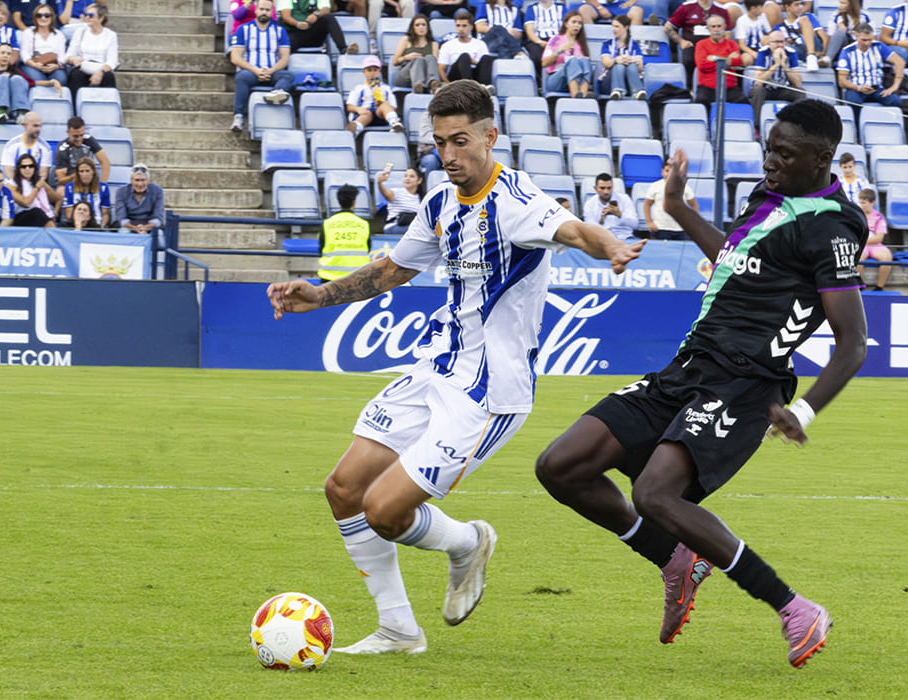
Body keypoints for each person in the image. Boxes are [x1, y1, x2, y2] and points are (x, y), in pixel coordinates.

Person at [265, 79, 642, 656]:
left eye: (460, 141)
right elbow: (391, 269)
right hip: (437, 369)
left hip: (488, 393)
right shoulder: (441, 202)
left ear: (491, 136)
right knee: (343, 490)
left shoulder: (516, 199)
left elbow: (570, 228)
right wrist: (318, 295)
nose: (448, 156)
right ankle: (398, 630)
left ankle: (468, 542)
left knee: (385, 511)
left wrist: (608, 244)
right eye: (440, 143)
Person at [534, 98, 867, 668]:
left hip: (744, 384)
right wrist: (677, 208)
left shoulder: (834, 226)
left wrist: (804, 411)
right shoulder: (768, 198)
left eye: (785, 155)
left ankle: (794, 608)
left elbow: (852, 342)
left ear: (821, 157)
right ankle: (674, 559)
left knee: (654, 494)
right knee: (560, 466)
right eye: (769, 150)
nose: (771, 163)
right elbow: (737, 260)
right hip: (689, 368)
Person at [229, 0, 295, 134]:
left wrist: (271, 70)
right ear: (256, 10)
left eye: (267, 10)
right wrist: (256, 70)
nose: (264, 12)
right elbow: (235, 57)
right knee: (241, 77)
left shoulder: (280, 31)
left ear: (272, 12)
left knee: (288, 75)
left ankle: (277, 93)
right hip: (252, 71)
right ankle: (239, 116)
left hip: (273, 71)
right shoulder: (243, 29)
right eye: (262, 9)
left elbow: (285, 58)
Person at [0, 43, 60, 123]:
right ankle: (1, 111)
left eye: (8, 54)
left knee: (17, 78)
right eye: (2, 53)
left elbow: (32, 83)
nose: (5, 56)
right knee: (3, 78)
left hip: (11, 109)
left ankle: (20, 114)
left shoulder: (15, 72)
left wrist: (52, 82)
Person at [837, 23, 904, 118]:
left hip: (877, 88)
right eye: (864, 40)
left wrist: (894, 86)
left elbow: (900, 62)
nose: (867, 43)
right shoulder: (847, 51)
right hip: (856, 88)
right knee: (853, 103)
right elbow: (842, 81)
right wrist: (859, 88)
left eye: (870, 40)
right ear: (856, 35)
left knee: (895, 101)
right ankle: (857, 129)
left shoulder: (879, 46)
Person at [665, 0, 732, 86]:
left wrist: (721, 45)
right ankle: (689, 88)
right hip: (692, 44)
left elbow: (728, 32)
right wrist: (681, 41)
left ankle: (715, 87)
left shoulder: (721, 9)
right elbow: (668, 27)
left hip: (714, 44)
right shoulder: (686, 7)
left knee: (720, 60)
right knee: (689, 60)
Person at [749, 30, 802, 128]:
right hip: (766, 89)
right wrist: (776, 65)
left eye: (783, 42)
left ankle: (798, 126)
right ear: (769, 43)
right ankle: (756, 126)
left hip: (782, 89)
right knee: (757, 90)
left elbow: (798, 83)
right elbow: (759, 81)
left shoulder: (791, 53)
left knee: (800, 92)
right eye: (777, 42)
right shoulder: (762, 53)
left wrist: (784, 65)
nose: (780, 45)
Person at [317, 183, 370, 281]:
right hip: (357, 278)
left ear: (339, 202)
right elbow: (368, 249)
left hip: (329, 278)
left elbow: (321, 249)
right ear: (354, 203)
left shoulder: (327, 224)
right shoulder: (364, 224)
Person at [693, 15, 745, 105]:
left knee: (744, 105)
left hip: (730, 87)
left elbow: (737, 62)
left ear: (724, 27)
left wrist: (714, 58)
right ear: (708, 28)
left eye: (719, 26)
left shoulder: (732, 44)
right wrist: (728, 59)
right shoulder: (701, 44)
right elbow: (702, 65)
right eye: (713, 26)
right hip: (707, 87)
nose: (716, 29)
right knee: (700, 105)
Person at [66, 3, 117, 97]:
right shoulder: (80, 32)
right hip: (83, 66)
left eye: (91, 15)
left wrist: (100, 72)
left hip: (101, 67)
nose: (87, 18)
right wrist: (73, 59)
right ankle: (75, 110)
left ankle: (107, 108)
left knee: (108, 76)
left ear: (101, 18)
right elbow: (68, 56)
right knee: (76, 75)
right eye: (86, 15)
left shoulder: (110, 35)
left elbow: (112, 61)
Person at [642, 158, 698, 241]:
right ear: (662, 172)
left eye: (673, 171)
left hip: (681, 228)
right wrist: (649, 222)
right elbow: (647, 204)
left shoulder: (684, 187)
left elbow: (693, 204)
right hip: (661, 228)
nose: (670, 174)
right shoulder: (655, 186)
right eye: (667, 171)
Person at [346, 55, 403, 136]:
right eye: (369, 70)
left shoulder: (386, 88)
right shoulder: (359, 88)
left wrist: (382, 104)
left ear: (379, 72)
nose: (372, 73)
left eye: (375, 70)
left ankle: (395, 123)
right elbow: (349, 106)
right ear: (364, 72)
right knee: (367, 114)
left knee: (384, 104)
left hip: (380, 116)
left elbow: (393, 107)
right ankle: (354, 130)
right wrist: (359, 109)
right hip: (364, 113)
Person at [438, 10, 496, 88]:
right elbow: (441, 69)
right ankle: (470, 87)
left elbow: (482, 65)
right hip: (456, 77)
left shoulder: (480, 44)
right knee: (464, 57)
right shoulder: (447, 45)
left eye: (464, 26)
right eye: (458, 26)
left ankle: (485, 87)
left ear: (471, 27)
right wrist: (448, 84)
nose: (461, 29)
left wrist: (472, 62)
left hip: (474, 74)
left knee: (487, 58)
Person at [543, 11, 593, 97]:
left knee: (585, 60)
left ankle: (583, 95)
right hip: (556, 79)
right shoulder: (555, 39)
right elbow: (544, 63)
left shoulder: (581, 44)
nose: (577, 25)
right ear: (566, 24)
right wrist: (559, 51)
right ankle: (575, 96)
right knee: (573, 61)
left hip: (577, 81)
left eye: (579, 23)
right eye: (574, 22)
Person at [280, 0, 358, 55]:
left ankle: (344, 49)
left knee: (328, 18)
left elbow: (326, 8)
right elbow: (285, 16)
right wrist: (297, 24)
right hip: (294, 32)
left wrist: (316, 15)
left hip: (313, 32)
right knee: (287, 41)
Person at [599, 13, 646, 99]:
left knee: (632, 65)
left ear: (626, 27)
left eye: (617, 26)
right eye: (613, 26)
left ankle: (637, 92)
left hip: (629, 81)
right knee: (619, 65)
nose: (614, 29)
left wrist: (632, 60)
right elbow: (606, 63)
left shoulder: (635, 44)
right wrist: (616, 60)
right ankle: (617, 91)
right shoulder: (607, 44)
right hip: (609, 82)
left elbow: (640, 67)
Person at [392, 14, 442, 94]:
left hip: (426, 76)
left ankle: (433, 83)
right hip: (406, 76)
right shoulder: (406, 40)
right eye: (417, 25)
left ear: (427, 27)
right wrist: (406, 57)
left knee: (430, 57)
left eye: (423, 25)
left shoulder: (434, 44)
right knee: (418, 59)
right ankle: (418, 86)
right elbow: (395, 62)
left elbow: (434, 64)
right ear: (413, 27)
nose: (421, 27)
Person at [19, 4, 67, 86]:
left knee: (61, 79)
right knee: (38, 79)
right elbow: (24, 54)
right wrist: (35, 65)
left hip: (54, 65)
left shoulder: (59, 34)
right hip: (33, 64)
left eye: (47, 15)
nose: (43, 18)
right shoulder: (28, 32)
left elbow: (62, 56)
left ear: (52, 17)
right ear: (35, 17)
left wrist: (56, 66)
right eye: (39, 15)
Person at [54, 116, 110, 187]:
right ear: (68, 133)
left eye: (81, 135)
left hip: (89, 179)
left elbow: (105, 162)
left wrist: (103, 185)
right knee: (61, 192)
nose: (79, 139)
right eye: (75, 136)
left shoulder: (89, 140)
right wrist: (77, 176)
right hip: (71, 182)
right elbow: (61, 180)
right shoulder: (62, 149)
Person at [582, 171, 638, 240]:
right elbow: (590, 229)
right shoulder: (590, 204)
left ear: (612, 187)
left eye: (609, 188)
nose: (606, 192)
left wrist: (620, 215)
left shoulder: (624, 199)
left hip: (625, 237)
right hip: (602, 239)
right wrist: (601, 220)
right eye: (602, 188)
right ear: (595, 188)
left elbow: (635, 224)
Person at [6, 151, 56, 226]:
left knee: (40, 214)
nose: (27, 169)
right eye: (24, 166)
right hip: (19, 217)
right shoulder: (11, 184)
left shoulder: (39, 181)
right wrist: (37, 188)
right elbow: (26, 203)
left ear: (34, 168)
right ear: (19, 169)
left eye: (31, 166)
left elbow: (55, 198)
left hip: (39, 216)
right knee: (37, 212)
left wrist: (55, 212)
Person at [113, 162, 164, 236]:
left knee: (159, 235)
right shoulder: (121, 191)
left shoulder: (157, 190)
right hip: (129, 225)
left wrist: (145, 228)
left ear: (148, 181)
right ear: (131, 181)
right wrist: (135, 228)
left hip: (150, 225)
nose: (140, 184)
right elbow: (121, 218)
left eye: (143, 180)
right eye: (137, 180)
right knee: (123, 232)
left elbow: (158, 218)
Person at [856, 187, 891, 291]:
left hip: (874, 245)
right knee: (857, 257)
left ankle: (879, 287)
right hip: (861, 245)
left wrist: (862, 240)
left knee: (887, 257)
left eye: (864, 203)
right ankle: (860, 287)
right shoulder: (856, 215)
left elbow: (879, 238)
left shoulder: (879, 217)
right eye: (860, 202)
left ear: (872, 203)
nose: (861, 205)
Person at [0, 110, 51, 181]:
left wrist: (33, 189)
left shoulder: (45, 147)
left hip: (35, 185)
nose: (38, 129)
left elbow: (43, 175)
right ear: (25, 125)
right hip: (15, 185)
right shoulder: (11, 145)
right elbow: (9, 173)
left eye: (40, 126)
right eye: (35, 126)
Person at [61, 155, 111, 226]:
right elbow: (69, 214)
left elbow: (105, 213)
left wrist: (101, 228)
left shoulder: (103, 188)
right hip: (75, 223)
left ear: (93, 171)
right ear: (78, 173)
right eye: (81, 171)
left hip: (96, 225)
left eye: (87, 171)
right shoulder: (69, 187)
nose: (85, 174)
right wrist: (79, 223)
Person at [377, 165, 423, 236]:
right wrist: (379, 183)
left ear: (419, 180)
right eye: (405, 176)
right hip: (394, 227)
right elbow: (386, 195)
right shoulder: (396, 192)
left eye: (411, 176)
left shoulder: (421, 198)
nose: (407, 178)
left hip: (412, 228)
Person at [778, 0, 827, 67]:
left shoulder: (808, 17)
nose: (800, 7)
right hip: (799, 50)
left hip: (815, 47)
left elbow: (824, 38)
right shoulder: (780, 26)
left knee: (804, 20)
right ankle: (800, 62)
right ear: (787, 7)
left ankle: (811, 56)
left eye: (801, 4)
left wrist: (823, 53)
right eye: (796, 5)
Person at [523, 0, 566, 71]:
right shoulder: (532, 8)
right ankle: (540, 81)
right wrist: (539, 42)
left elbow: (567, 27)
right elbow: (530, 30)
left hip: (558, 40)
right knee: (536, 57)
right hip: (539, 41)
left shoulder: (561, 8)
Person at [824, 0, 871, 64]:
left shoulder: (865, 16)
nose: (840, 6)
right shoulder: (836, 15)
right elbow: (830, 37)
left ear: (852, 4)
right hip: (842, 46)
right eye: (840, 3)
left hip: (858, 46)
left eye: (843, 3)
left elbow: (873, 38)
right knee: (840, 32)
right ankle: (827, 59)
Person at [733, 0, 772, 64]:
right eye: (761, 7)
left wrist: (767, 38)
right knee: (747, 59)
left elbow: (769, 33)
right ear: (753, 8)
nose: (763, 10)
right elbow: (742, 45)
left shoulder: (763, 16)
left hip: (763, 47)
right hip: (749, 49)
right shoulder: (742, 21)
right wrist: (754, 53)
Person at [579, 0, 643, 28]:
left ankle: (634, 45)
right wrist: (599, 7)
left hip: (619, 4)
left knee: (637, 11)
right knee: (584, 10)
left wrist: (630, 2)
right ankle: (590, 43)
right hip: (597, 5)